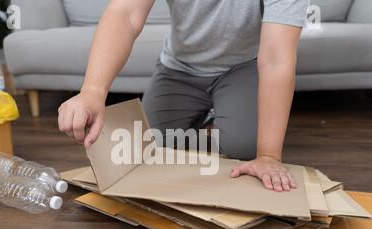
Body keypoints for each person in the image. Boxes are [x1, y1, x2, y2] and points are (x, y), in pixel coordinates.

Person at [58, 0, 310, 192]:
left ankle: (228, 112)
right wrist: (92, 90)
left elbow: (276, 60)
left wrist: (268, 156)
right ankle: (214, 115)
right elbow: (125, 14)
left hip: (243, 67)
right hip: (180, 68)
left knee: (245, 148)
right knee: (145, 148)